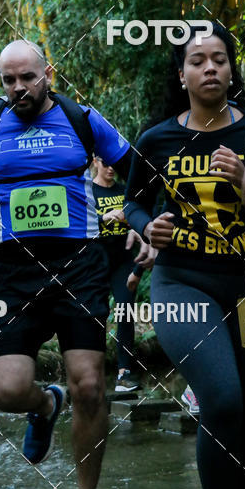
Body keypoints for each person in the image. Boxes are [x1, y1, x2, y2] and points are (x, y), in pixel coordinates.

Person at [0, 39, 152, 489]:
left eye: (27, 78)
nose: (17, 89)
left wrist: (140, 221)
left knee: (91, 385)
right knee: (5, 391)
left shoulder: (82, 119)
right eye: (8, 80)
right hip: (12, 273)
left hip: (79, 266)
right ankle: (43, 405)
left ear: (47, 74)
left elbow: (137, 168)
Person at [125, 22, 245, 489]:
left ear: (232, 70)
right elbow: (128, 203)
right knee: (223, 395)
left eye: (219, 59)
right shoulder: (158, 138)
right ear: (181, 74)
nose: (210, 68)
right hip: (182, 280)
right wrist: (148, 224)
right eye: (197, 60)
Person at [92, 156, 143, 391]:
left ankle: (125, 372)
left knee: (125, 311)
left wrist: (137, 230)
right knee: (96, 315)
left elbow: (140, 217)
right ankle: (94, 372)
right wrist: (103, 217)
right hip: (96, 262)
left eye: (114, 164)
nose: (111, 168)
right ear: (95, 162)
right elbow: (76, 221)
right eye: (105, 163)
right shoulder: (87, 192)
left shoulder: (125, 191)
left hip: (123, 261)